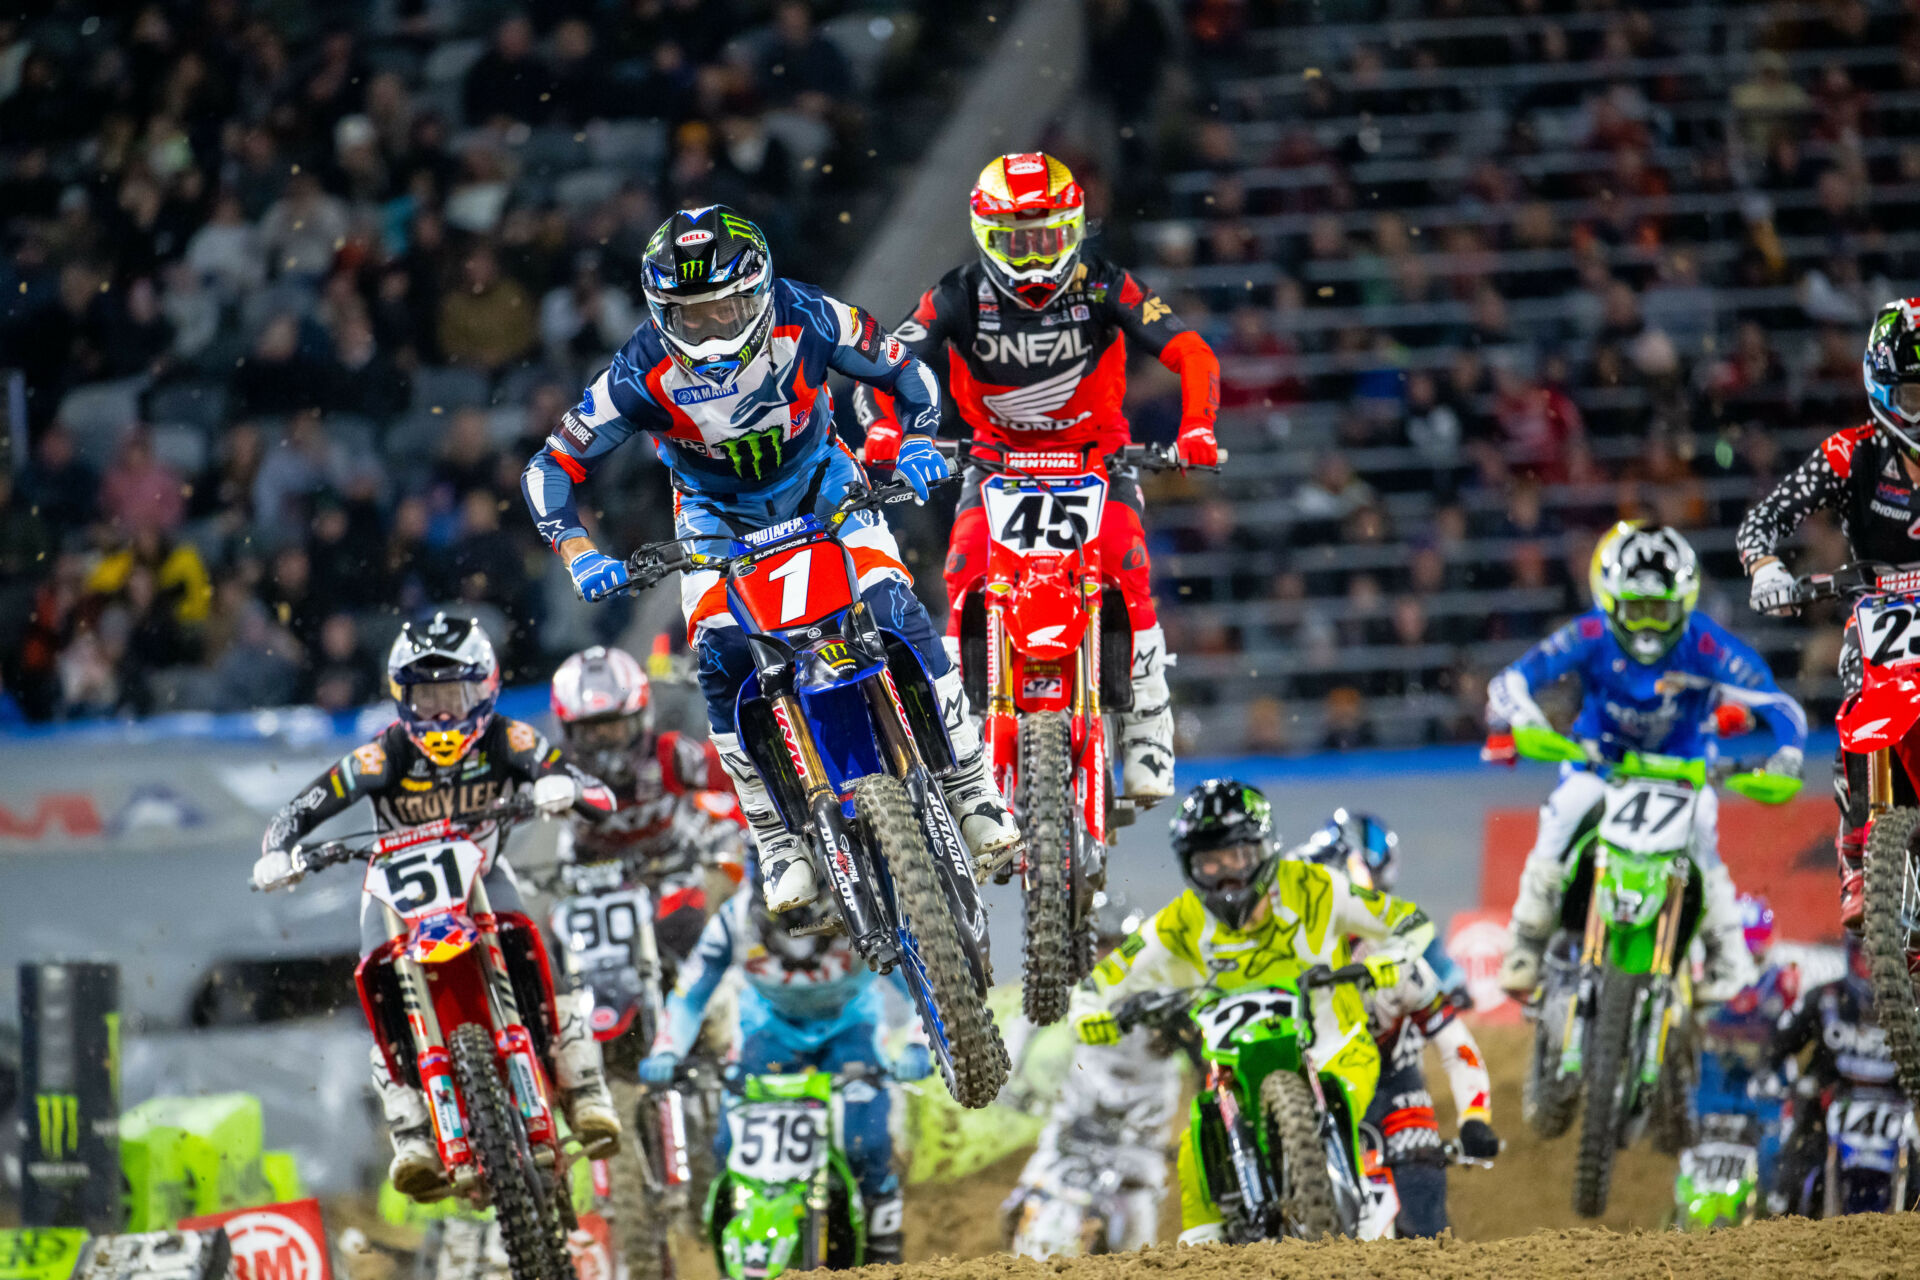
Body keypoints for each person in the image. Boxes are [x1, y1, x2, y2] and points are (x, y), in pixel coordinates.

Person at [520, 204, 1020, 915]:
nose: (716, 328)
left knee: (892, 606)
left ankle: (973, 787)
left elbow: (907, 374)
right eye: (693, 317)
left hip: (823, 481)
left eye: (729, 307)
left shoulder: (811, 315)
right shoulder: (638, 369)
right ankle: (777, 838)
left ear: (760, 287)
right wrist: (577, 552)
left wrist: (913, 440)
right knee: (721, 657)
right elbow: (549, 466)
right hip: (713, 518)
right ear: (662, 313)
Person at [850, 153, 1222, 802]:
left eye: (1047, 237)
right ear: (988, 237)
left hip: (1095, 459)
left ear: (1076, 230)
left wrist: (1199, 426)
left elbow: (1190, 351)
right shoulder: (958, 294)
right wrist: (886, 429)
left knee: (1129, 570)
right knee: (962, 572)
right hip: (994, 460)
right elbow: (889, 360)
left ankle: (1148, 735)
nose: (1033, 256)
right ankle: (960, 738)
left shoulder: (1105, 284)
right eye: (1017, 241)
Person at [251, 612, 621, 1201]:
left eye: (455, 694)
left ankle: (583, 1087)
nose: (443, 713)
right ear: (403, 697)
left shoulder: (509, 738)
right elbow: (299, 810)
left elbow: (600, 794)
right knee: (377, 982)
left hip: (479, 878)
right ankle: (412, 1128)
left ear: (486, 687)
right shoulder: (383, 756)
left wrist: (565, 788)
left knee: (534, 944)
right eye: (427, 698)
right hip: (398, 896)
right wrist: (279, 853)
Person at [1068, 779, 1434, 1244]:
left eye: (1237, 859)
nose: (1227, 877)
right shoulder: (1180, 921)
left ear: (1263, 850)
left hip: (1337, 1051)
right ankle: (1207, 1252)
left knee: (1354, 1100)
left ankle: (1362, 1188)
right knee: (1194, 1143)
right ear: (1189, 866)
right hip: (1233, 1077)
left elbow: (1408, 921)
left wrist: (1389, 961)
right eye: (1210, 863)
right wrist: (1091, 1015)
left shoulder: (1315, 888)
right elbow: (1102, 980)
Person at [1488, 522, 1807, 1002]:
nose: (1647, 626)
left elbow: (1778, 704)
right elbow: (1511, 681)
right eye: (1636, 610)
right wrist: (1525, 720)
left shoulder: (1704, 642)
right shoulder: (1590, 632)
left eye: (1659, 610)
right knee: (1564, 811)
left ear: (1684, 603)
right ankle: (1526, 942)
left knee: (1703, 828)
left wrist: (1789, 754)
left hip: (1680, 767)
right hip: (1599, 760)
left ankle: (1725, 954)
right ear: (1611, 601)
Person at [1739, 299, 1920, 932]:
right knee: (1854, 697)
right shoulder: (1852, 454)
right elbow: (1763, 518)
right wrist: (1767, 569)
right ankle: (1856, 854)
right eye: (1915, 397)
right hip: (1878, 609)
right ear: (1883, 390)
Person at [638, 882, 932, 1265]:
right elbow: (690, 994)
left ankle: (883, 1254)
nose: (796, 927)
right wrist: (665, 1050)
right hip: (768, 1029)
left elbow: (921, 981)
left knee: (865, 1143)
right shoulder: (733, 918)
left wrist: (916, 1044)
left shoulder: (866, 906)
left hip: (849, 1024)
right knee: (728, 1148)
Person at [1288, 812, 1499, 1238]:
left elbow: (1452, 1038)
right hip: (1309, 1091)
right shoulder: (1278, 962)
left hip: (1393, 1086)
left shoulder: (1399, 958)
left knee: (1422, 1204)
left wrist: (1475, 1116)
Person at [1001, 892, 1184, 1256]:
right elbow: (1026, 1020)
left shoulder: (1166, 995)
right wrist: (1008, 1075)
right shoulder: (1078, 991)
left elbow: (1206, 1043)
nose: (1104, 955)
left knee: (1132, 1244)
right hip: (1073, 1132)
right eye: (1096, 946)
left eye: (1114, 945)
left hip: (1139, 1145)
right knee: (1024, 1220)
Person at [550, 644, 743, 960]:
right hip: (587, 886)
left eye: (613, 725)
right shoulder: (554, 769)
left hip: (670, 873)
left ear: (640, 718)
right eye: (591, 732)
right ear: (569, 731)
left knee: (694, 933)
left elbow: (736, 777)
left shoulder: (672, 754)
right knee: (562, 944)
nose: (605, 740)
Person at [1761, 936, 1899, 1216]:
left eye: (1880, 959)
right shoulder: (1826, 997)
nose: (1871, 969)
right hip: (1828, 1105)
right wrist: (1770, 1071)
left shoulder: (1910, 1008)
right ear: (1851, 957)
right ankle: (1783, 1227)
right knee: (1797, 1159)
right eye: (1865, 959)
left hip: (1896, 1111)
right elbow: (1781, 1041)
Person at [1686, 895, 1800, 1212]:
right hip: (1715, 1080)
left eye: (1757, 949)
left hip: (1764, 1082)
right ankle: (1690, 1210)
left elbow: (1796, 1034)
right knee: (1691, 1143)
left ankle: (1776, 1208)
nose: (1751, 957)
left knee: (1778, 1150)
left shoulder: (1784, 981)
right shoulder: (1702, 976)